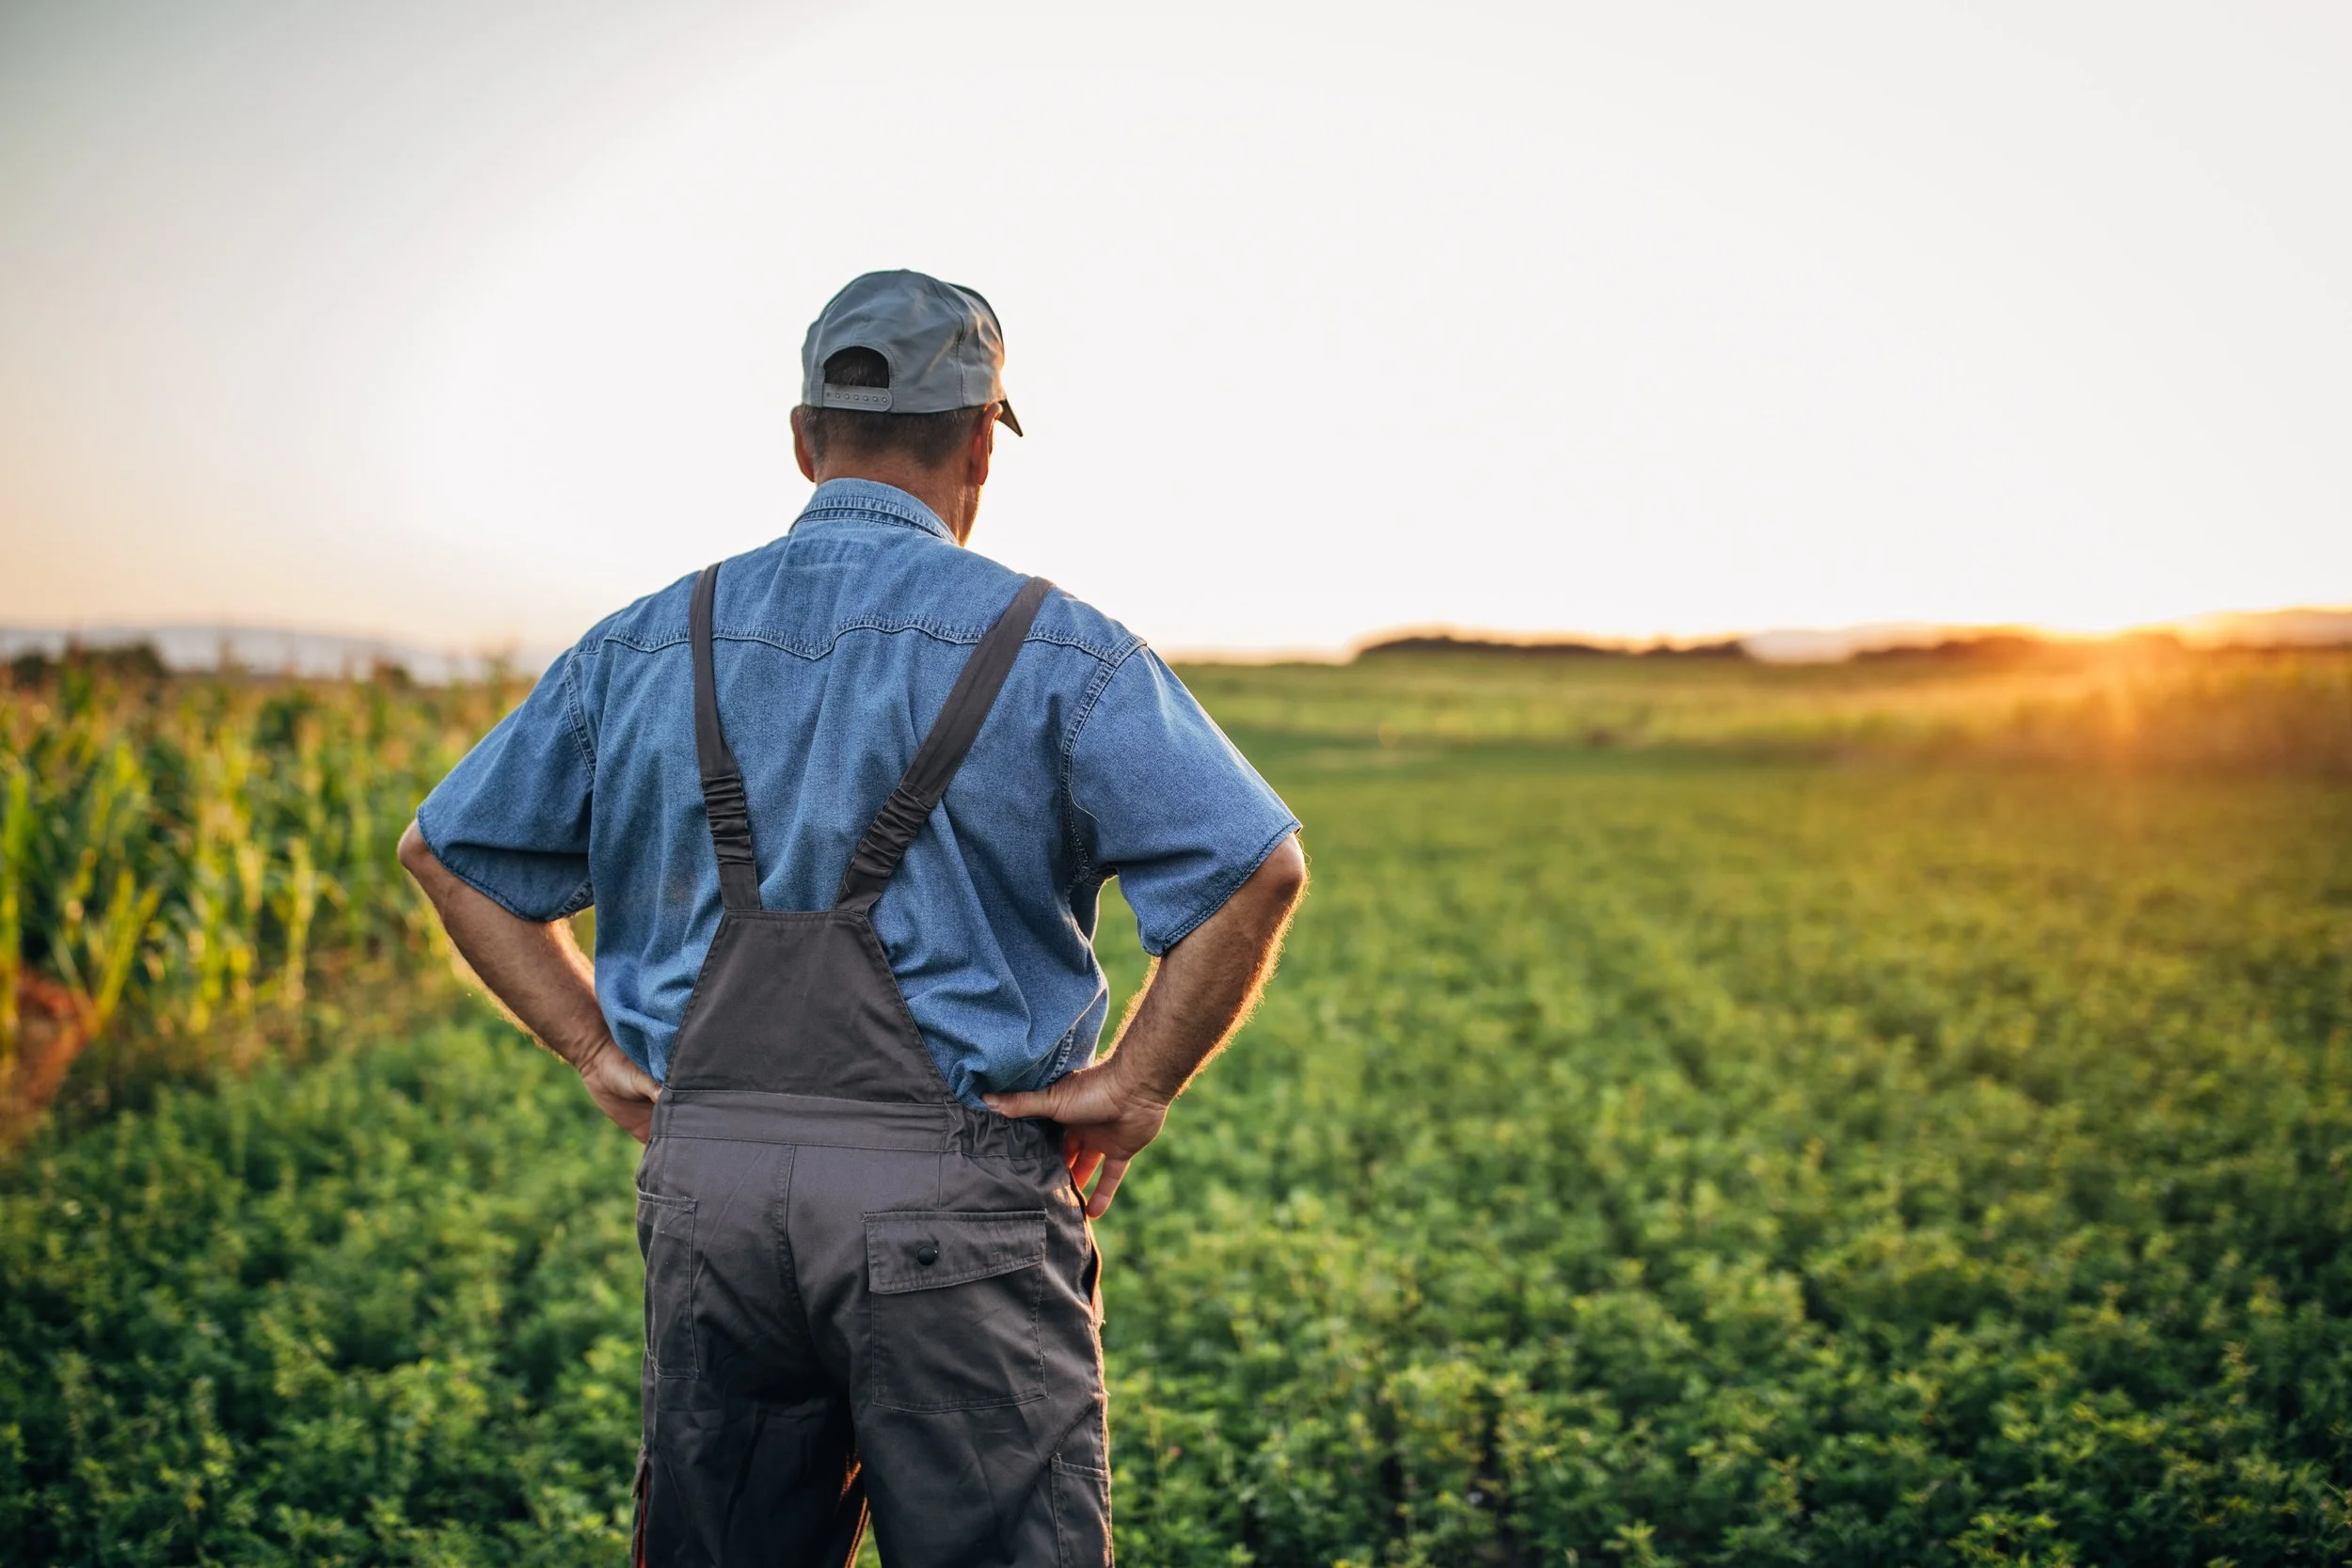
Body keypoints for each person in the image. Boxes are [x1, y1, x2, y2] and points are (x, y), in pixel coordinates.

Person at [396, 269, 1307, 1567]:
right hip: (958, 1196)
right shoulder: (1061, 648)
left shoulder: (650, 639)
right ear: (984, 439)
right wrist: (1138, 1086)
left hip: (710, 1201)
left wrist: (595, 1049)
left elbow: (447, 850)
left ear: (803, 437)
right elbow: (1255, 868)